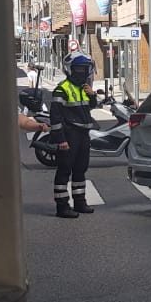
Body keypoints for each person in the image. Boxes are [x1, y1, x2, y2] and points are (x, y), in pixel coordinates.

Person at [50, 51, 99, 219]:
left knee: (80, 170)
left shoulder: (84, 88)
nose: (82, 72)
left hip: (83, 134)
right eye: (79, 69)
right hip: (69, 135)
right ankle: (62, 207)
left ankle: (80, 202)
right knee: (64, 170)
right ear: (70, 69)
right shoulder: (61, 90)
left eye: (85, 69)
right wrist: (61, 140)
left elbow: (91, 106)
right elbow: (55, 118)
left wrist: (92, 95)